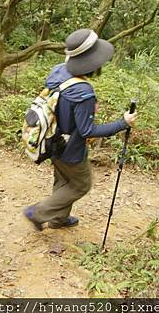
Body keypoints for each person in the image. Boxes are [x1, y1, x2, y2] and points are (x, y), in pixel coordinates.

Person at [23, 28, 138, 231]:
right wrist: (123, 123)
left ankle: (58, 219)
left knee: (63, 179)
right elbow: (87, 131)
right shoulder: (83, 92)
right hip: (71, 148)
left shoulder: (59, 71)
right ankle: (38, 213)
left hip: (53, 140)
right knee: (80, 184)